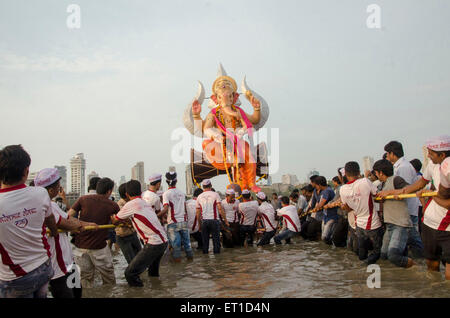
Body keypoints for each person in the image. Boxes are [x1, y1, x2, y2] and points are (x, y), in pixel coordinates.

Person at [378, 135, 450, 279]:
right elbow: (416, 185)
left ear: (442, 155)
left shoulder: (447, 169)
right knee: (431, 265)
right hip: (429, 222)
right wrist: (391, 192)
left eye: (431, 153)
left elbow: (446, 202)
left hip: (446, 227)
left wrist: (430, 195)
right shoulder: (433, 165)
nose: (428, 156)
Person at [0, 145, 59, 298]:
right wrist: (54, 233)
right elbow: (50, 220)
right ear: (26, 171)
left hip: (14, 278)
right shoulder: (40, 194)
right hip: (43, 266)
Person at [35, 168, 95, 298]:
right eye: (58, 186)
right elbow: (62, 222)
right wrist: (78, 226)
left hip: (68, 262)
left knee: (77, 293)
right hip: (56, 266)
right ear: (51, 190)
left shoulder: (54, 205)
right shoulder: (42, 206)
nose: (60, 189)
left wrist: (87, 224)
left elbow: (69, 218)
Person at [113, 180, 168, 287]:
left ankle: (140, 294)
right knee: (152, 273)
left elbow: (115, 220)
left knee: (130, 274)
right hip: (163, 241)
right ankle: (157, 290)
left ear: (127, 194)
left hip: (154, 243)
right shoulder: (144, 202)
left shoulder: (131, 204)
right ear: (141, 191)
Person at [69, 177, 119, 288]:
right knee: (109, 279)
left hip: (80, 247)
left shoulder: (83, 199)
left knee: (85, 279)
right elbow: (119, 220)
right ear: (109, 191)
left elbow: (67, 216)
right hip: (99, 248)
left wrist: (81, 223)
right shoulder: (112, 205)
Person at [372, 160, 415, 268]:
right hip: (389, 224)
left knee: (393, 255)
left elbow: (409, 189)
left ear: (380, 172)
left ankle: (417, 268)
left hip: (400, 224)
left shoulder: (396, 180)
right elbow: (379, 199)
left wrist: (390, 193)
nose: (376, 175)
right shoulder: (382, 185)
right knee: (384, 255)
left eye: (376, 173)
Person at [384, 140, 424, 257]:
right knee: (410, 241)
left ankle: (425, 262)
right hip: (403, 211)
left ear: (392, 153)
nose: (387, 156)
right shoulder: (399, 166)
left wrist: (388, 193)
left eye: (387, 153)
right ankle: (421, 262)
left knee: (414, 241)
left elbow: (404, 189)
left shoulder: (404, 167)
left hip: (407, 211)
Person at [340, 161, 383, 264]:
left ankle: (361, 270)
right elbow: (377, 195)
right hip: (372, 222)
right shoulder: (365, 182)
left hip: (358, 222)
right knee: (378, 251)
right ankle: (365, 265)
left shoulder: (343, 189)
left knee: (362, 251)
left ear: (345, 173)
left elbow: (347, 208)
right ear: (358, 172)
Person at [160, 171, 193, 262]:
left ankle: (177, 269)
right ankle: (190, 262)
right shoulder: (181, 193)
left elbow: (166, 209)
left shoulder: (166, 194)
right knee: (187, 244)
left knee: (176, 246)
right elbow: (185, 208)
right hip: (183, 221)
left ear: (166, 181)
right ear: (176, 180)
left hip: (173, 223)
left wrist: (157, 216)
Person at [196, 179, 228, 254]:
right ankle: (217, 261)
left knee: (205, 242)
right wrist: (225, 220)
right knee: (216, 242)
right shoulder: (215, 194)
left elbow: (198, 213)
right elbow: (220, 208)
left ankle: (205, 261)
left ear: (203, 187)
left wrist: (199, 225)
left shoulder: (199, 197)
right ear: (211, 185)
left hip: (204, 221)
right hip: (214, 221)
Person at [115, 183, 142, 264]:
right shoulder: (119, 205)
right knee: (131, 261)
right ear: (126, 194)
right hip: (123, 236)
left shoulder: (132, 203)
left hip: (132, 233)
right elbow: (123, 219)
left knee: (140, 257)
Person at [310, 176, 338, 245]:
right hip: (326, 216)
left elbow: (321, 204)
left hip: (332, 216)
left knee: (325, 237)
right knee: (324, 236)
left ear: (319, 185)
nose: (315, 187)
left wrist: (315, 209)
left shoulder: (327, 191)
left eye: (316, 185)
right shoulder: (324, 191)